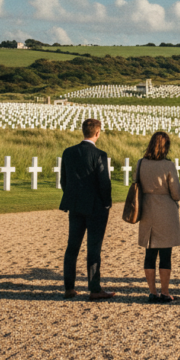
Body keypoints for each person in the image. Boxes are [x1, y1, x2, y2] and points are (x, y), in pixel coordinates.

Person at [59, 118, 115, 301]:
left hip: (75, 206)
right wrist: (107, 203)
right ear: (97, 133)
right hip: (95, 208)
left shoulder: (68, 152)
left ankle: (69, 288)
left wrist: (72, 197)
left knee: (72, 247)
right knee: (93, 248)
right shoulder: (99, 154)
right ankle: (94, 288)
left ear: (83, 131)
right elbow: (103, 183)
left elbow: (64, 181)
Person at [136, 131, 180, 303]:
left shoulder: (141, 163)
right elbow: (176, 193)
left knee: (149, 253)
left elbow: (136, 183)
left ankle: (152, 292)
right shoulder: (168, 165)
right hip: (166, 211)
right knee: (165, 254)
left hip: (147, 210)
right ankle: (165, 292)